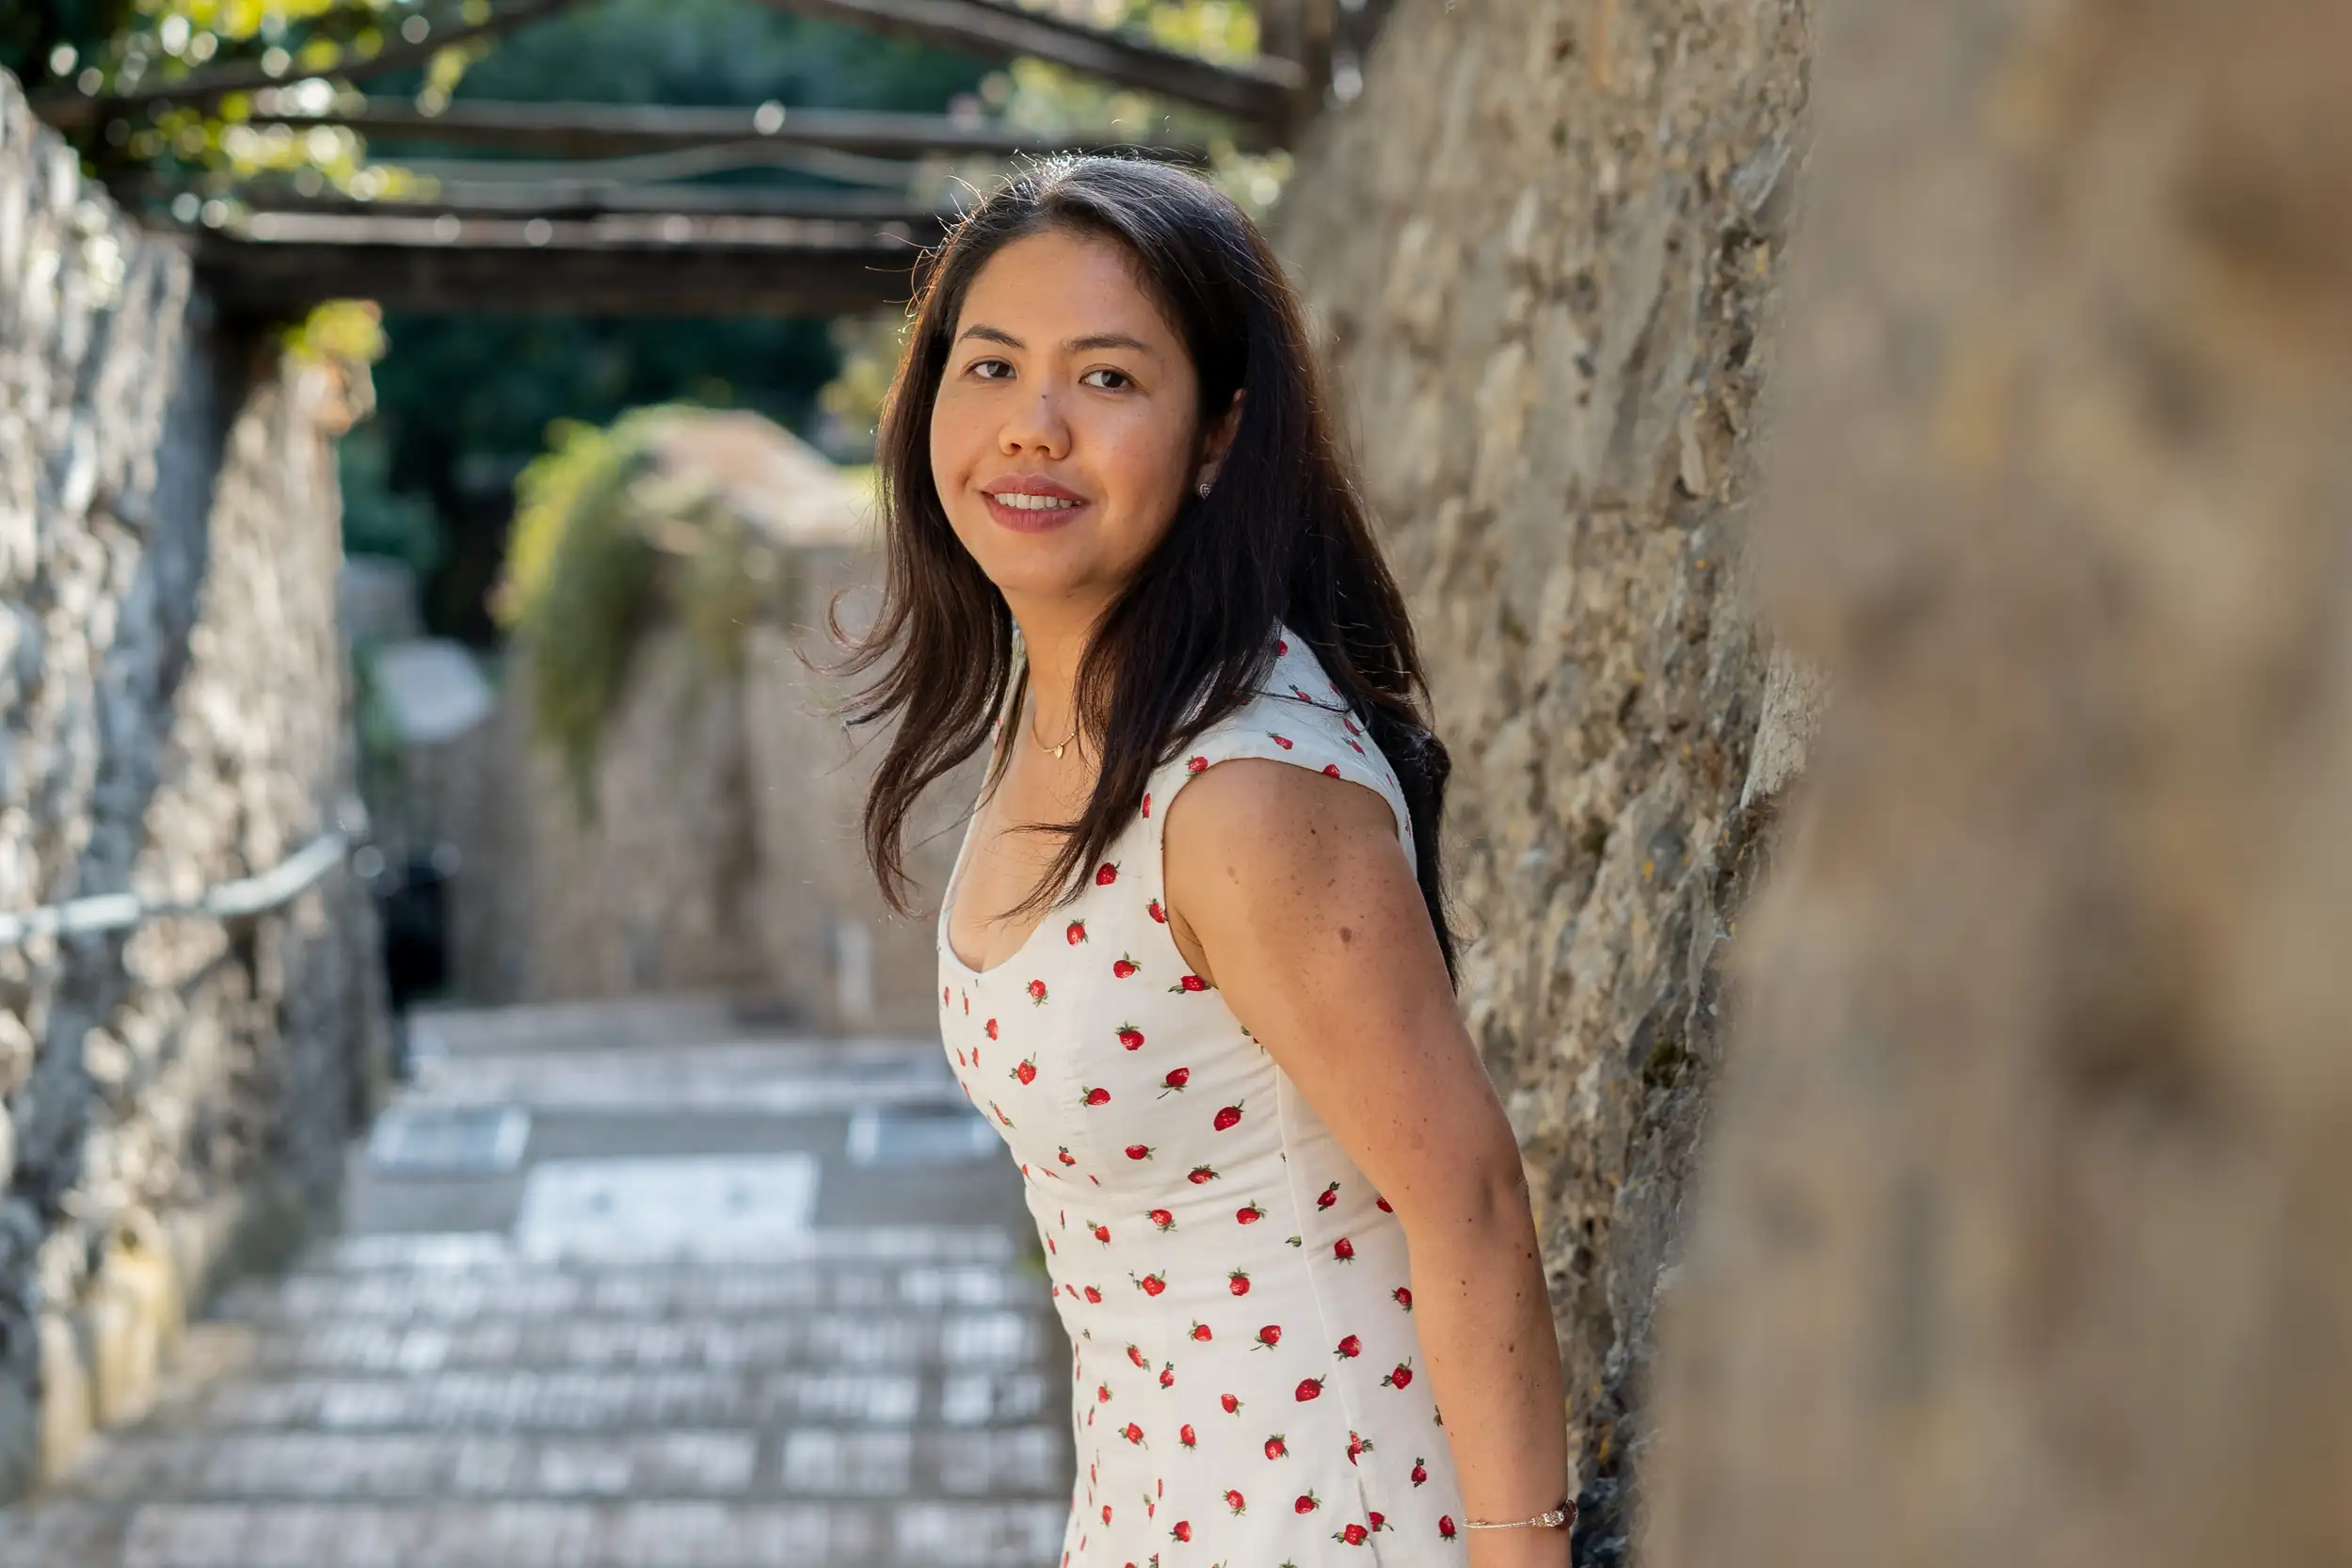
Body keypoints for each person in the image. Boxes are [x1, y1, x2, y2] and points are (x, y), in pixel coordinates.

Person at [840, 155, 1572, 1566]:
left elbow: (1468, 1198)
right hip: (1153, 1510)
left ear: (1216, 437)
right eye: (989, 366)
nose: (1030, 428)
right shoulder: (1066, 707)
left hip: (1332, 1519)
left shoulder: (1240, 793)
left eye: (1107, 380)